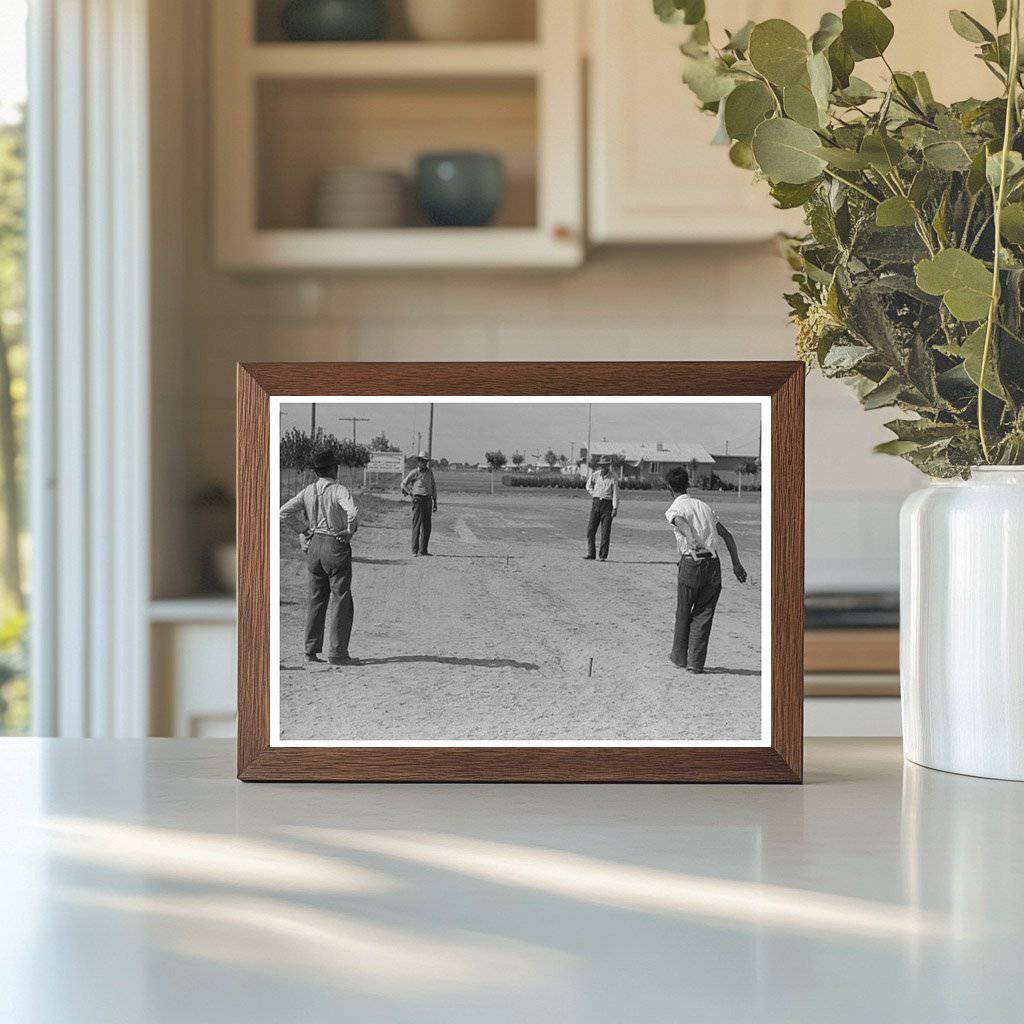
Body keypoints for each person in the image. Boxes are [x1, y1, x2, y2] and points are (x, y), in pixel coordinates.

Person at [279, 449, 359, 666]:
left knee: (316, 599)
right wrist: (350, 530)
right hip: (335, 543)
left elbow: (283, 512)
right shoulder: (339, 490)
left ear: (317, 471)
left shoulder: (308, 490)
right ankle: (338, 653)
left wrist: (305, 530)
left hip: (314, 545)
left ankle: (311, 650)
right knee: (341, 599)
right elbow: (352, 512)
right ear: (334, 469)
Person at [663, 466, 747, 674]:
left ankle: (679, 657)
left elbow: (680, 522)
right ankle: (695, 663)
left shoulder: (675, 508)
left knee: (683, 611)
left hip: (692, 563)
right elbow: (727, 536)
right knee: (704, 614)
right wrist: (736, 564)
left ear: (669, 488)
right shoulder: (704, 507)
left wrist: (690, 538)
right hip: (713, 564)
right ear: (687, 484)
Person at [401, 451, 438, 556]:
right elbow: (403, 484)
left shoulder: (430, 473)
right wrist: (410, 493)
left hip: (428, 500)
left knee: (427, 526)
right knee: (417, 525)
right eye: (422, 461)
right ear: (418, 461)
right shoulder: (414, 473)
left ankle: (423, 550)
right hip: (418, 500)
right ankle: (414, 550)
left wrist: (435, 501)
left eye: (425, 461)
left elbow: (433, 486)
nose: (423, 463)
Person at [584, 457, 619, 561]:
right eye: (603, 465)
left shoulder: (613, 477)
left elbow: (615, 494)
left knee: (605, 532)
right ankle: (591, 553)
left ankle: (603, 555)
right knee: (590, 530)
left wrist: (615, 508)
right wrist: (593, 493)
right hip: (596, 504)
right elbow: (588, 485)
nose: (604, 467)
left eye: (606, 465)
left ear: (609, 465)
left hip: (607, 505)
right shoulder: (596, 475)